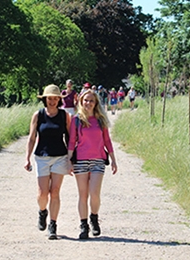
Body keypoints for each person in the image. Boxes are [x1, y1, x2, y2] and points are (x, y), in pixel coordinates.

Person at [67, 89, 118, 239]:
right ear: (81, 101)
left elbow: (107, 140)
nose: (88, 103)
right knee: (83, 195)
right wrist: (69, 161)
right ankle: (83, 226)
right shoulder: (76, 120)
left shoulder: (101, 120)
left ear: (95, 103)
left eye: (91, 101)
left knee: (94, 194)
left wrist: (113, 160)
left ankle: (94, 218)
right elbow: (71, 141)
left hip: (98, 160)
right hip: (81, 160)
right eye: (86, 100)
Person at [24, 84, 71, 240]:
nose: (52, 101)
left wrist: (71, 159)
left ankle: (53, 224)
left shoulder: (65, 116)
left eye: (55, 98)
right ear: (45, 99)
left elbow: (70, 139)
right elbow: (31, 138)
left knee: (55, 191)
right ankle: (42, 211)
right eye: (50, 98)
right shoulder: (38, 115)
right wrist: (27, 157)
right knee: (43, 193)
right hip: (42, 157)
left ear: (59, 100)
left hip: (60, 157)